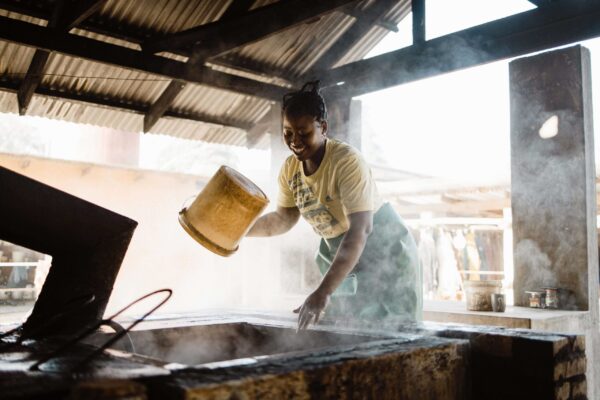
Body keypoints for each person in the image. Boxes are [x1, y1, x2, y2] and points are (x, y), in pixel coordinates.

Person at [247, 81, 422, 329]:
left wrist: (323, 292)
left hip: (383, 249)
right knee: (347, 329)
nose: (294, 141)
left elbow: (360, 230)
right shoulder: (290, 169)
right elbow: (283, 219)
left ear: (323, 128)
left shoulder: (346, 162)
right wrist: (238, 230)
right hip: (341, 253)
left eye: (303, 132)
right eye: (288, 133)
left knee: (391, 333)